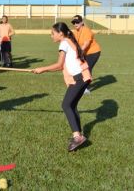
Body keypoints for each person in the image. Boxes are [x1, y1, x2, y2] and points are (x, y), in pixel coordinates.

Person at [32, 22, 92, 152]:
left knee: (66, 105)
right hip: (84, 77)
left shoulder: (64, 43)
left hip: (79, 78)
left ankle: (77, 137)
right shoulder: (69, 40)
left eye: (52, 33)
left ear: (60, 33)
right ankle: (79, 135)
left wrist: (42, 69)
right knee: (72, 105)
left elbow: (59, 65)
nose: (51, 36)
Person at [72, 15, 101, 94]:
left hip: (94, 52)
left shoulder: (86, 30)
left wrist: (79, 52)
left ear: (82, 22)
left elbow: (86, 44)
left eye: (77, 22)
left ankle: (85, 88)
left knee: (87, 68)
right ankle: (82, 85)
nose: (75, 24)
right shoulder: (75, 32)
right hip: (84, 53)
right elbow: (73, 43)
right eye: (74, 22)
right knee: (83, 68)